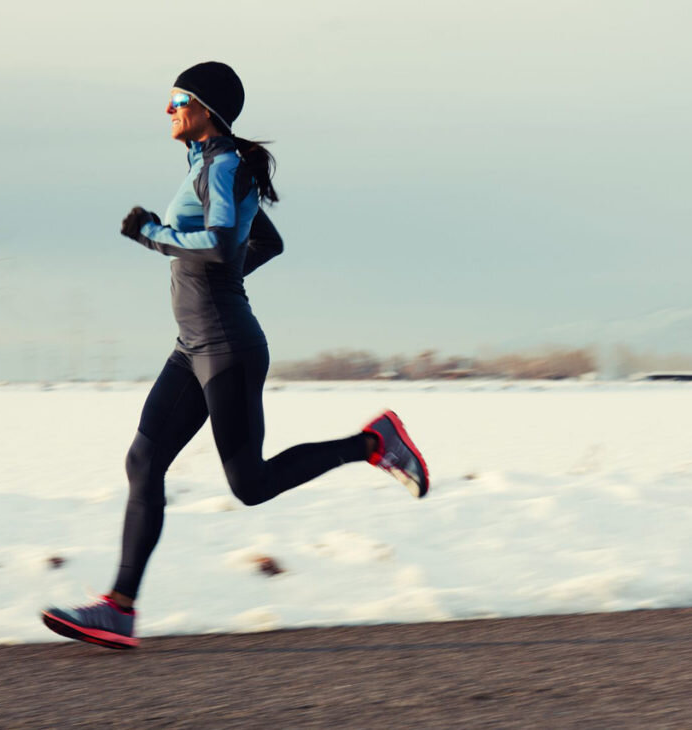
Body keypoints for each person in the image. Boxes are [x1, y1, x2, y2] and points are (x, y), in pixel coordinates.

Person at [43, 62, 429, 650]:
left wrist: (153, 234)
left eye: (177, 99)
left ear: (205, 108)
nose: (168, 110)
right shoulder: (209, 166)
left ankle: (374, 442)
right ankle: (119, 608)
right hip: (192, 346)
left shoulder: (221, 165)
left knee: (249, 485)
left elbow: (224, 244)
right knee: (143, 464)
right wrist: (214, 286)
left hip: (227, 348)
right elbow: (264, 241)